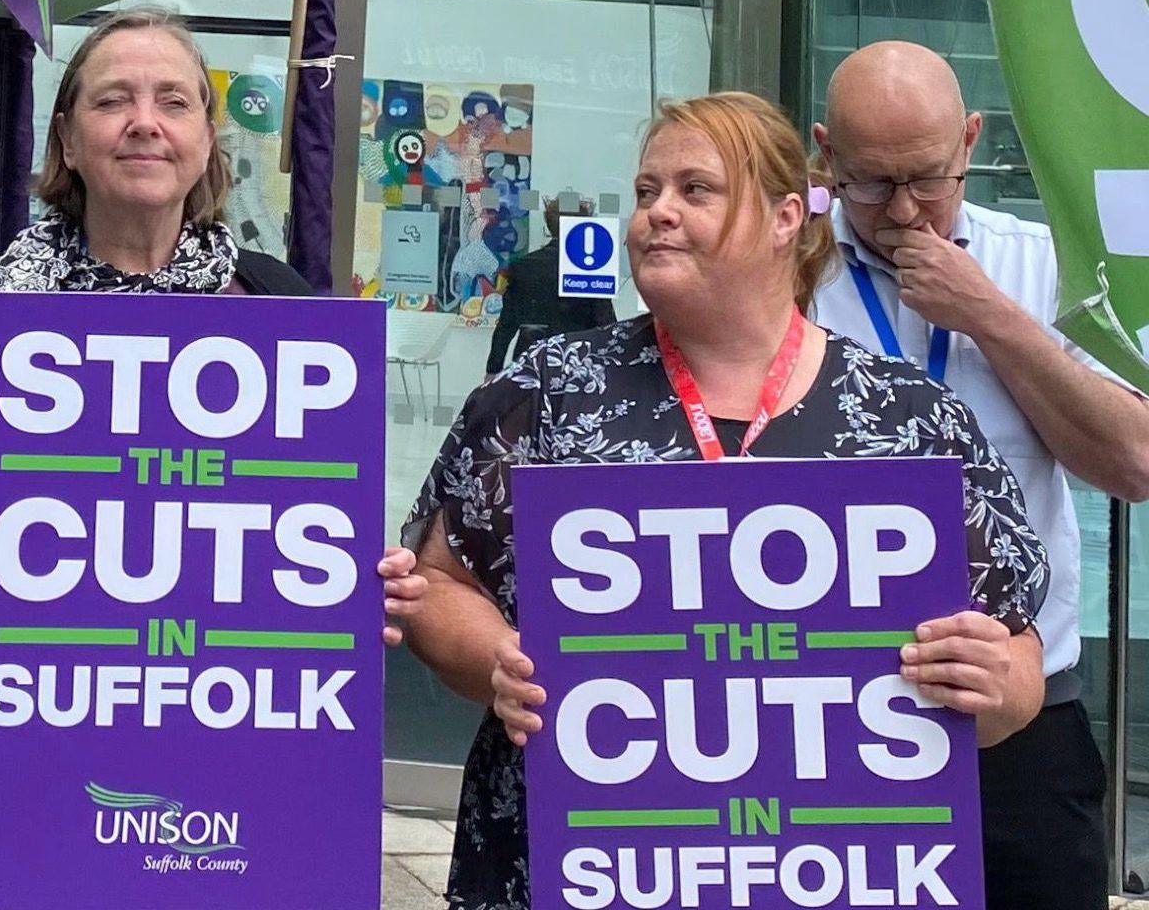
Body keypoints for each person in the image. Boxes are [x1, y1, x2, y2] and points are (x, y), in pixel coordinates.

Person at [403, 92, 1049, 910]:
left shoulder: (908, 418)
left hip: (832, 866)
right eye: (646, 193)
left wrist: (1003, 688)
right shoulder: (545, 393)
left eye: (694, 191)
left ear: (786, 218)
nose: (656, 215)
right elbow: (438, 585)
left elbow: (1016, 647)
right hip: (579, 861)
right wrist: (497, 659)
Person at [0, 7, 426, 908]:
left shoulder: (280, 309)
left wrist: (363, 582)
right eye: (113, 100)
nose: (145, 121)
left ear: (204, 138)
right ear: (66, 134)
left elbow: (315, 520)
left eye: (173, 101)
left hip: (227, 763)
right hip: (16, 756)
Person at [811, 41, 1149, 910]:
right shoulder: (784, 273)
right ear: (824, 158)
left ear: (970, 140)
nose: (902, 210)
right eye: (870, 184)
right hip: (822, 710)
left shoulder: (1043, 265)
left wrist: (992, 318)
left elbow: (1134, 462)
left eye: (928, 178)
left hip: (1021, 715)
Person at [483, 194, 617, 376]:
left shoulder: (523, 266)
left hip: (531, 358)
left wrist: (493, 369)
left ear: (549, 225)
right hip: (578, 361)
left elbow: (507, 324)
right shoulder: (590, 270)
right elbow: (606, 324)